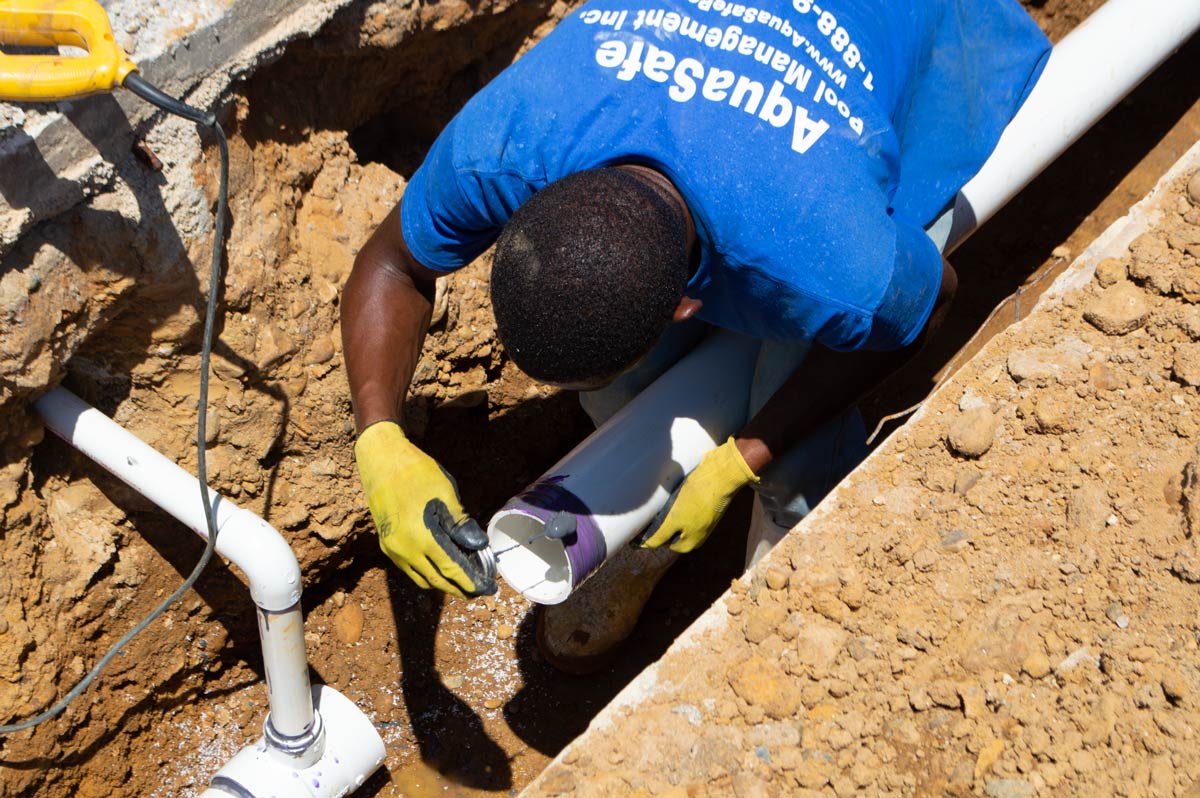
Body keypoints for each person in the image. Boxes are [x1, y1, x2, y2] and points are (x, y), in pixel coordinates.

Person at [342, 0, 1050, 670]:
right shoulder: (511, 140)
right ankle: (639, 536)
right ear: (530, 202)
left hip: (881, 34)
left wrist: (747, 456)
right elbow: (390, 264)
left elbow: (924, 310)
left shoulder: (833, 256)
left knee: (796, 439)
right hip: (729, 120)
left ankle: (785, 574)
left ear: (691, 305)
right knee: (619, 383)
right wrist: (380, 439)